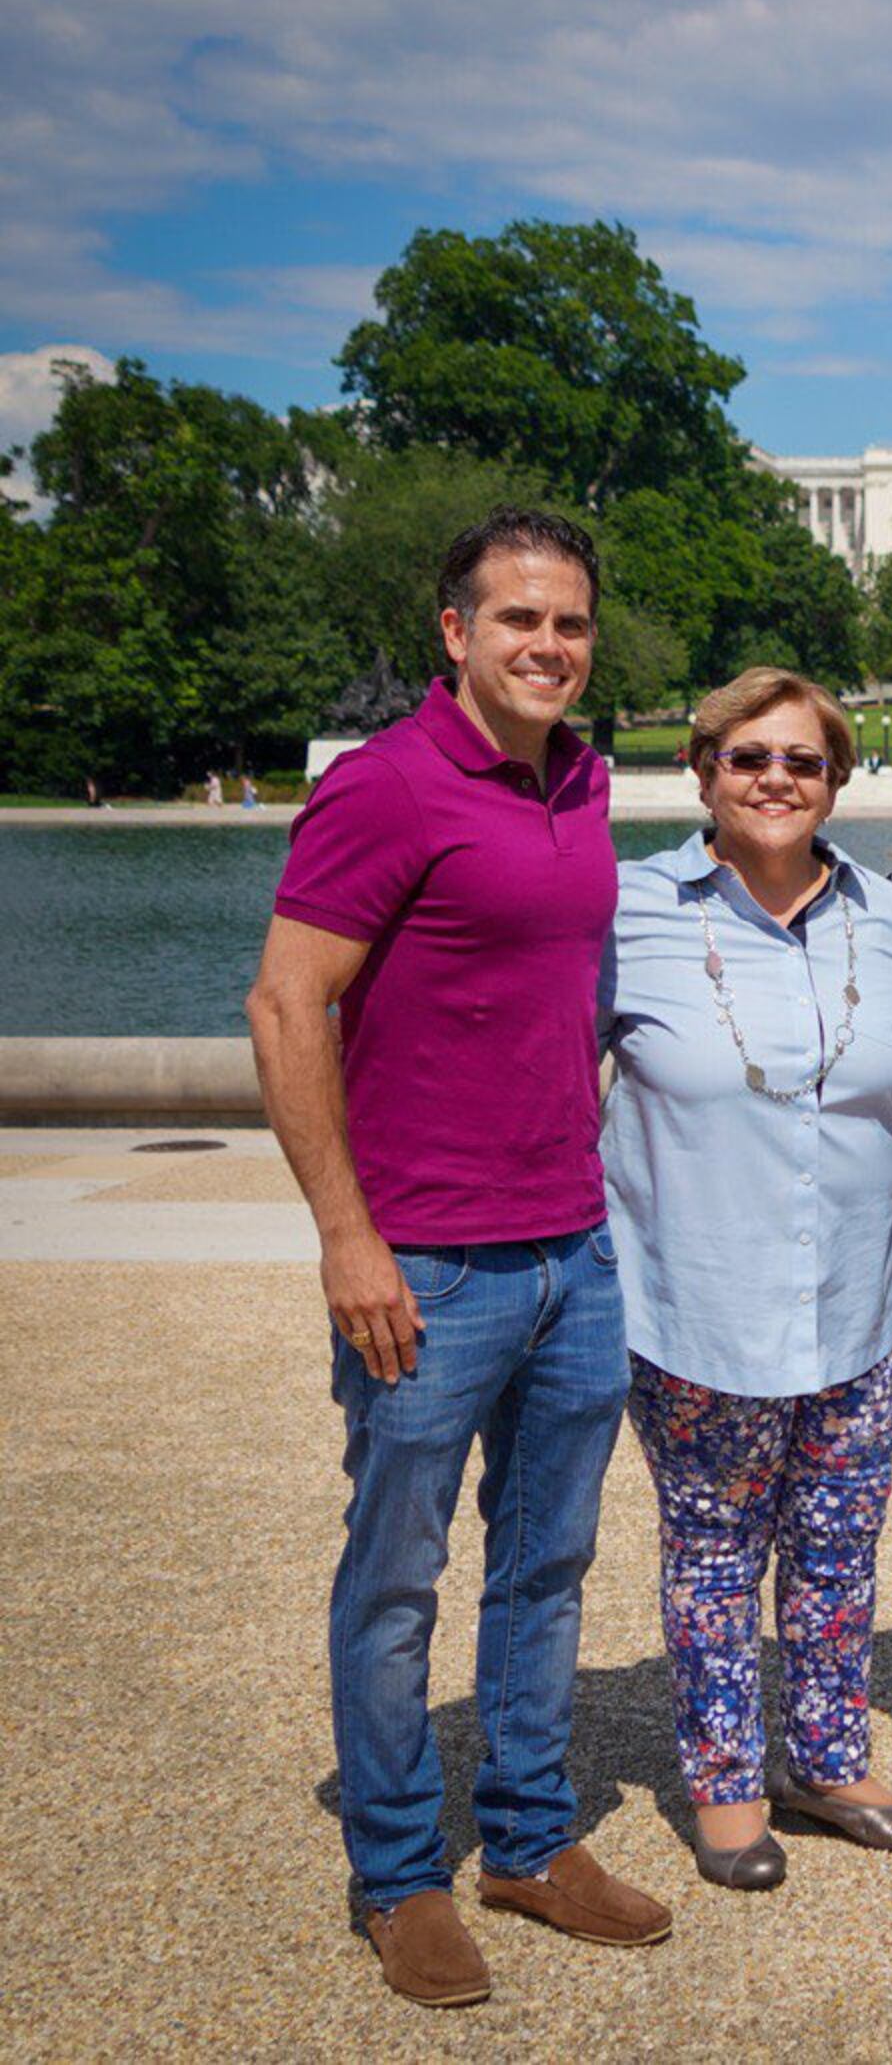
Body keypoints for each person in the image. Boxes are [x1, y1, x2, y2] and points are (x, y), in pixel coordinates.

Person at [246, 508, 670, 2010]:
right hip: (426, 1259)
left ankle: (531, 1839)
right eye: (517, 621)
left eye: (568, 623)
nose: (547, 645)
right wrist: (348, 1238)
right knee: (398, 1578)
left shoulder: (582, 782)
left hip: (570, 1242)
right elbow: (287, 1007)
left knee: (550, 1564)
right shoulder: (386, 788)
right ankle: (399, 1875)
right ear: (455, 633)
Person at [600, 668, 892, 1892]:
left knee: (841, 1548)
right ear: (701, 771)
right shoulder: (627, 908)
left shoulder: (890, 915)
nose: (775, 780)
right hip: (698, 1302)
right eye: (748, 757)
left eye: (802, 760)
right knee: (711, 1552)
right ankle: (727, 1780)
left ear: (836, 780)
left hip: (856, 1297)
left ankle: (828, 1755)